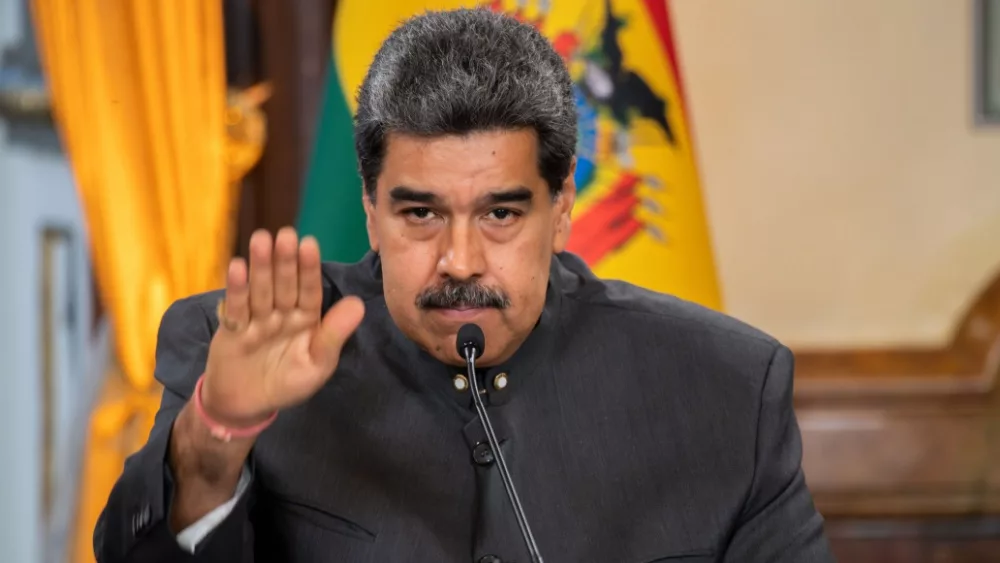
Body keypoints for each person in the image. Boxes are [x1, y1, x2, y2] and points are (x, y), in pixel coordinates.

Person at [94, 8, 834, 563]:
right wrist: (217, 435)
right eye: (420, 212)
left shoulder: (725, 389)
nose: (459, 259)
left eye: (501, 213)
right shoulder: (240, 349)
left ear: (562, 211)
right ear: (369, 212)